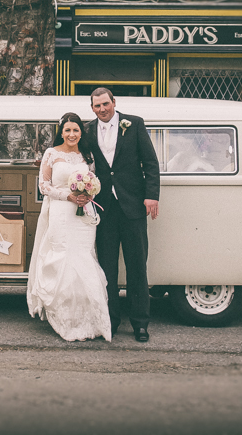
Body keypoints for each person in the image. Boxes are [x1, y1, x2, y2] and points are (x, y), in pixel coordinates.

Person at [27, 112, 113, 342]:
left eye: (76, 130)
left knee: (83, 257)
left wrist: (88, 192)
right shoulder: (51, 153)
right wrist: (68, 196)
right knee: (64, 257)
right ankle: (65, 319)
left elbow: (95, 180)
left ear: (81, 132)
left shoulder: (87, 155)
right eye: (67, 130)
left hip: (84, 213)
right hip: (61, 211)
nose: (72, 134)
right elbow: (43, 186)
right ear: (61, 132)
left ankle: (90, 320)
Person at [86, 87, 161, 342]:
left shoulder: (135, 124)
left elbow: (150, 163)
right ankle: (111, 321)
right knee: (107, 268)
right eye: (97, 106)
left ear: (114, 102)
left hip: (133, 206)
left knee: (137, 266)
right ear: (92, 108)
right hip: (103, 208)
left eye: (105, 104)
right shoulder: (87, 130)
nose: (102, 109)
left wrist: (152, 196)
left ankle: (140, 323)